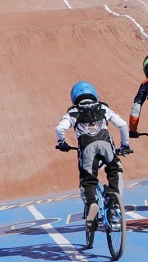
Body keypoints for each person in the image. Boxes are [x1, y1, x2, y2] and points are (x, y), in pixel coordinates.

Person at [55, 81, 131, 230]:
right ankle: (115, 199)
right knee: (115, 169)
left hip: (87, 148)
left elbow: (59, 129)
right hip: (106, 144)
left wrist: (62, 143)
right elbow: (122, 124)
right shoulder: (103, 108)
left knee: (88, 179)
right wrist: (125, 145)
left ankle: (92, 203)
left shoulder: (72, 112)